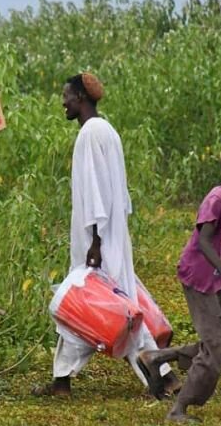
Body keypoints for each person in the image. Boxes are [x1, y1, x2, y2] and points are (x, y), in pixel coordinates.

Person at [33, 73, 180, 398]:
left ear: (81, 98)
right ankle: (61, 381)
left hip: (97, 240)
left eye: (67, 95)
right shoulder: (107, 130)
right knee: (83, 308)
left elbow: (97, 191)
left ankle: (162, 374)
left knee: (115, 310)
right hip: (110, 234)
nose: (63, 102)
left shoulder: (90, 134)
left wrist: (96, 242)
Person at [139, 146, 221, 422]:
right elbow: (205, 241)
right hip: (198, 275)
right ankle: (179, 408)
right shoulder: (216, 199)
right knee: (215, 341)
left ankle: (157, 358)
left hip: (217, 275)